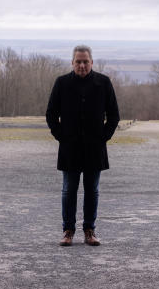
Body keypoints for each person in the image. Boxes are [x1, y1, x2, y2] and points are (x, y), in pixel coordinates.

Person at [45, 45, 120, 247]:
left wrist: (103, 137)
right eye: (78, 61)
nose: (82, 65)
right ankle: (68, 231)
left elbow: (114, 115)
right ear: (72, 62)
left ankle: (90, 230)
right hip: (70, 148)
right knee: (68, 190)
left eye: (85, 61)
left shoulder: (103, 83)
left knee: (92, 190)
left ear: (92, 62)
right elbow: (51, 114)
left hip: (95, 148)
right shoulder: (62, 83)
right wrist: (61, 136)